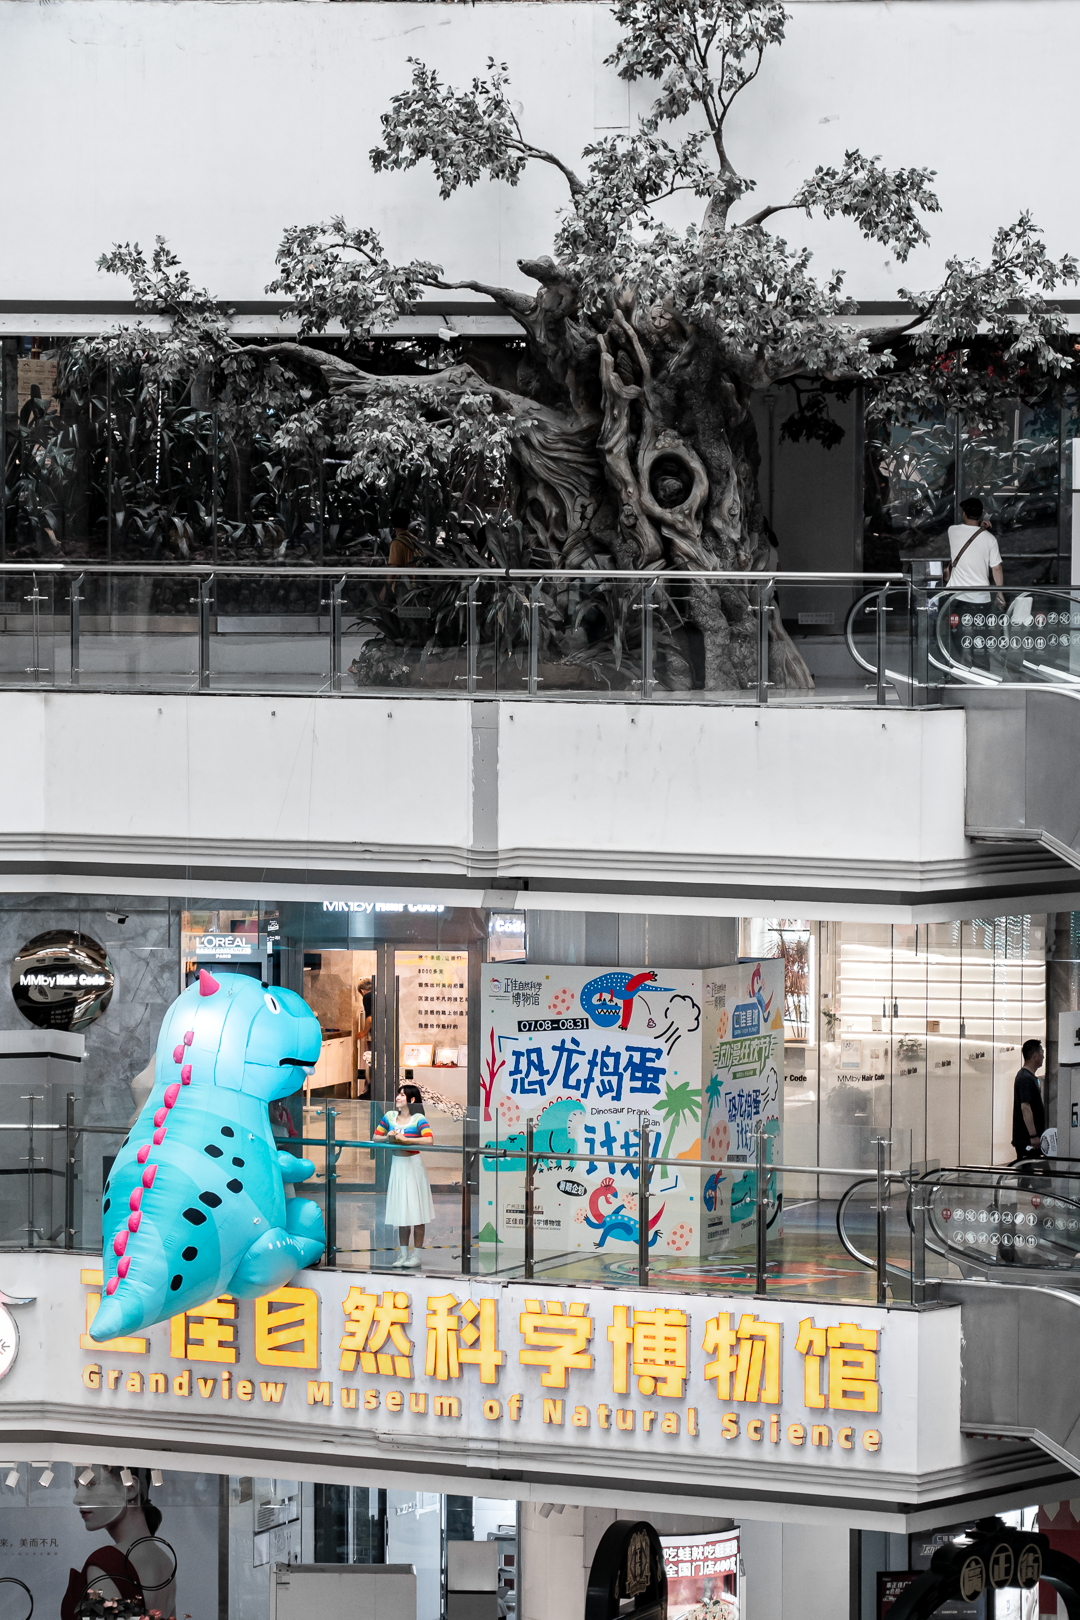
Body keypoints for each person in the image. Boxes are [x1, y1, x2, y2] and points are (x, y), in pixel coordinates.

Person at [62, 1465, 175, 1620]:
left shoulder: (107, 1563)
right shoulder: (164, 1561)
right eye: (77, 1487)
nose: (77, 1499)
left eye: (91, 1485)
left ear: (130, 1489)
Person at [375, 1082, 435, 1268]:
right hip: (397, 1166)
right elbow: (376, 1137)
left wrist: (406, 1140)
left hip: (413, 1166)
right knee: (402, 1213)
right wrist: (388, 1137)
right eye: (398, 1094)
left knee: (417, 1212)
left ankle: (416, 1255)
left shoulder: (418, 1119)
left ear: (412, 1099)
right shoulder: (389, 1117)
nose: (398, 1097)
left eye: (402, 1095)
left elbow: (429, 1139)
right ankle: (403, 1254)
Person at [944, 497, 1005, 672]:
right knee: (981, 637)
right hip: (981, 597)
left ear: (964, 513)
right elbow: (997, 568)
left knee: (956, 636)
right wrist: (1000, 593)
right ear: (981, 514)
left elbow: (968, 533)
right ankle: (981, 673)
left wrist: (980, 527)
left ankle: (956, 672)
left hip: (957, 596)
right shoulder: (990, 540)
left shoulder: (952, 531)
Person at [1011, 1038, 1047, 1165]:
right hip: (1028, 1140)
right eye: (1042, 1053)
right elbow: (1025, 1107)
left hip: (1032, 1140)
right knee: (1028, 1173)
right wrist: (1033, 1135)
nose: (1043, 1057)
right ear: (1035, 1055)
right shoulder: (1025, 1078)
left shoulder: (1030, 1077)